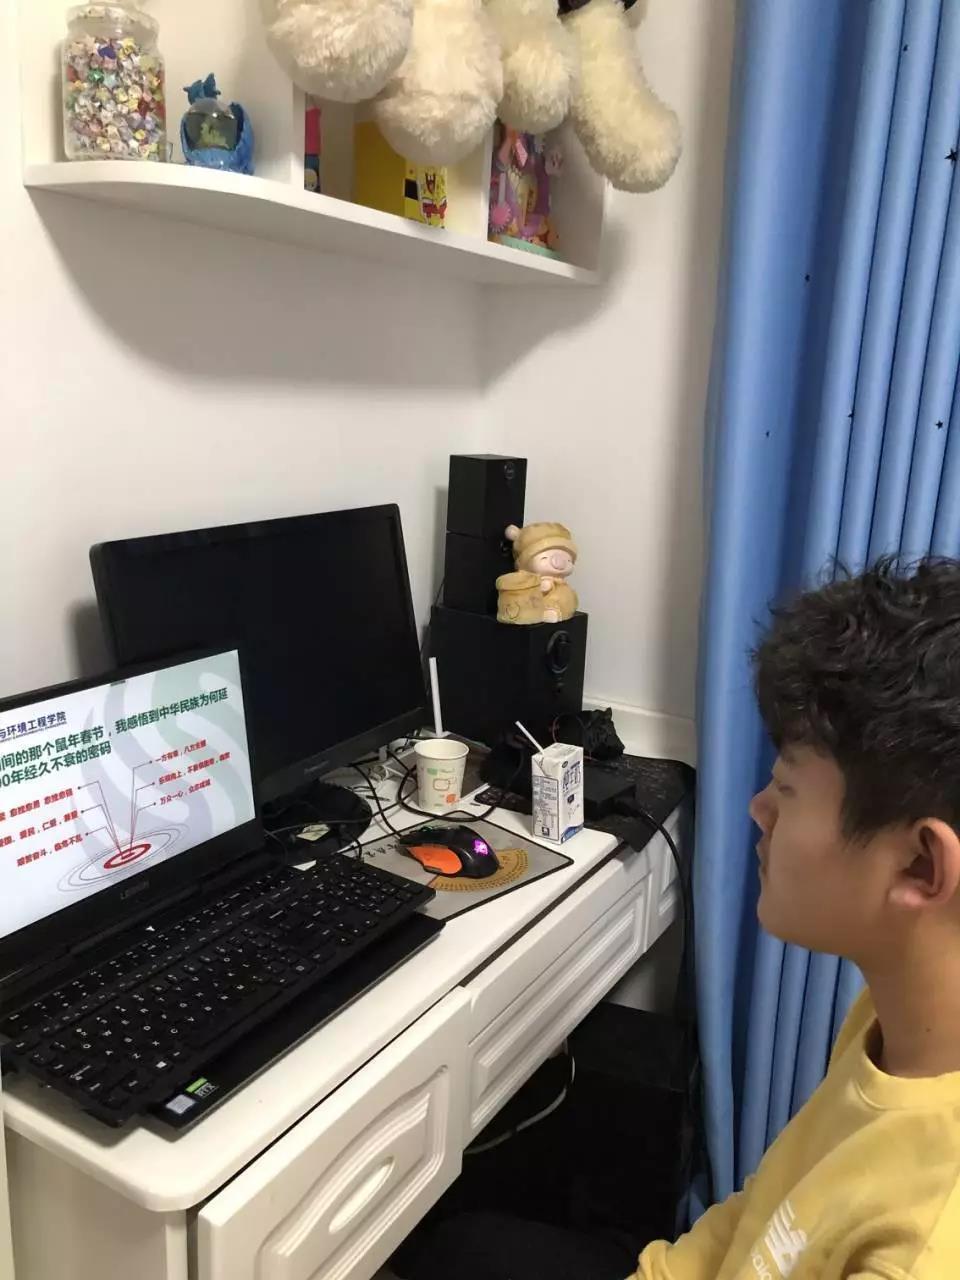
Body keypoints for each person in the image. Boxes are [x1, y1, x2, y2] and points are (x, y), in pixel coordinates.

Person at [401, 557, 960, 1280]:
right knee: (462, 1245)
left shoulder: (921, 1246)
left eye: (788, 791)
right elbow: (763, 1211)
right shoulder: (898, 1018)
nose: (758, 809)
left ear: (921, 867)